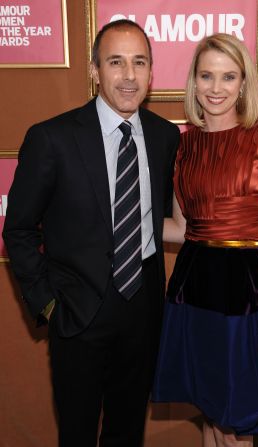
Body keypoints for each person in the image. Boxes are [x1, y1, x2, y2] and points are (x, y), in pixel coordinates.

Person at [3, 19, 180, 447]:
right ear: (95, 69)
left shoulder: (165, 136)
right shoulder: (52, 138)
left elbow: (163, 218)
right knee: (78, 434)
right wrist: (48, 304)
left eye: (140, 62)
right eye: (116, 62)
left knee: (126, 431)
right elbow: (19, 229)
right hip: (77, 315)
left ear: (152, 71)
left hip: (142, 312)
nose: (129, 76)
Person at [152, 33, 258, 446]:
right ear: (194, 81)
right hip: (194, 288)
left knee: (239, 417)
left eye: (228, 76)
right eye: (207, 76)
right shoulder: (184, 145)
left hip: (247, 291)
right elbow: (183, 230)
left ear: (243, 83)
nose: (216, 88)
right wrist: (118, 225)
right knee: (210, 409)